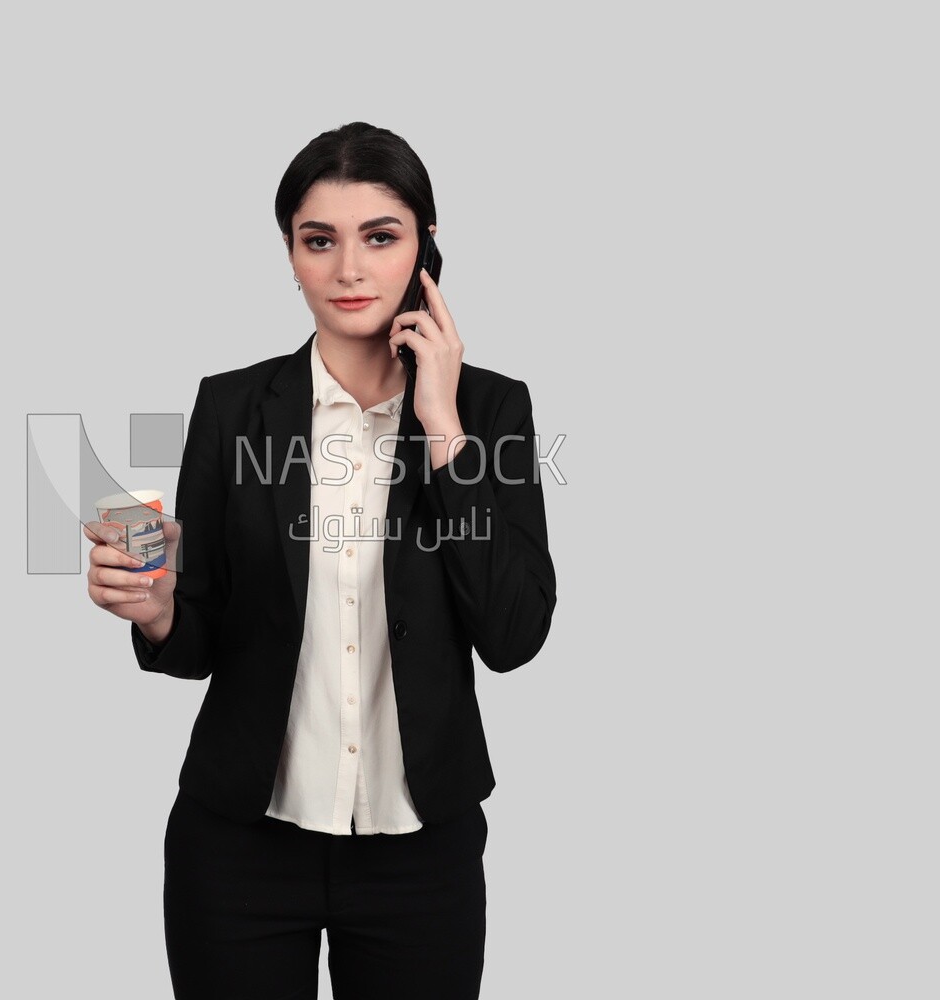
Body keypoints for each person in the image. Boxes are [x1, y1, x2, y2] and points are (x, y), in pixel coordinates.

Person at [83, 122, 557, 1000]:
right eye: (319, 240)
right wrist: (156, 611)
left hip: (422, 853)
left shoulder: (493, 408)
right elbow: (206, 634)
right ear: (291, 254)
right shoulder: (230, 408)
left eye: (380, 236)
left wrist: (444, 427)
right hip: (239, 847)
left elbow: (513, 632)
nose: (348, 270)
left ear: (425, 248)